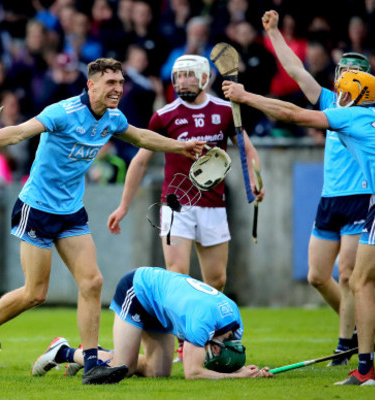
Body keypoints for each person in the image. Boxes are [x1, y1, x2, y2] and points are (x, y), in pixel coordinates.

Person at [0, 58, 205, 385]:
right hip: (38, 208)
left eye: (119, 83)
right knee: (35, 292)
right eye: (110, 83)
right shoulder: (62, 112)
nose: (117, 89)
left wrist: (180, 147)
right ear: (91, 85)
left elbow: (142, 138)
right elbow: (18, 132)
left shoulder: (113, 118)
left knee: (92, 283)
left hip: (71, 210)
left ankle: (91, 365)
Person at [222, 57, 375, 386]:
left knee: (360, 283)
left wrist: (246, 96)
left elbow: (292, 114)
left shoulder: (349, 115)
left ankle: (365, 370)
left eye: (342, 90)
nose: (337, 93)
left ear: (351, 96)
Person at [261, 1, 375, 366]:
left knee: (348, 274)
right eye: (341, 69)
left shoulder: (374, 107)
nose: (343, 76)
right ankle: (357, 328)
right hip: (330, 199)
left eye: (351, 71)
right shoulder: (330, 102)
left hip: (362, 197)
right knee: (317, 275)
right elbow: (296, 71)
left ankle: (346, 346)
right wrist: (274, 33)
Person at [107, 54, 264, 362]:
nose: (183, 82)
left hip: (214, 205)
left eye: (190, 76)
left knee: (216, 280)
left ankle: (208, 337)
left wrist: (255, 181)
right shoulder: (164, 115)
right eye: (178, 76)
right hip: (176, 205)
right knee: (176, 274)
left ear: (204, 78)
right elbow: (140, 160)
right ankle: (183, 343)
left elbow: (246, 148)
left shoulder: (224, 111)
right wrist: (124, 205)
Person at [31, 267, 273, 380]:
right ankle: (64, 352)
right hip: (137, 291)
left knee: (159, 373)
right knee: (123, 368)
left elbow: (218, 360)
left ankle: (93, 355)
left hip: (160, 308)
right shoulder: (201, 325)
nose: (214, 355)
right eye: (215, 352)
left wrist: (245, 370)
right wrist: (238, 377)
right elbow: (193, 373)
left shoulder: (234, 323)